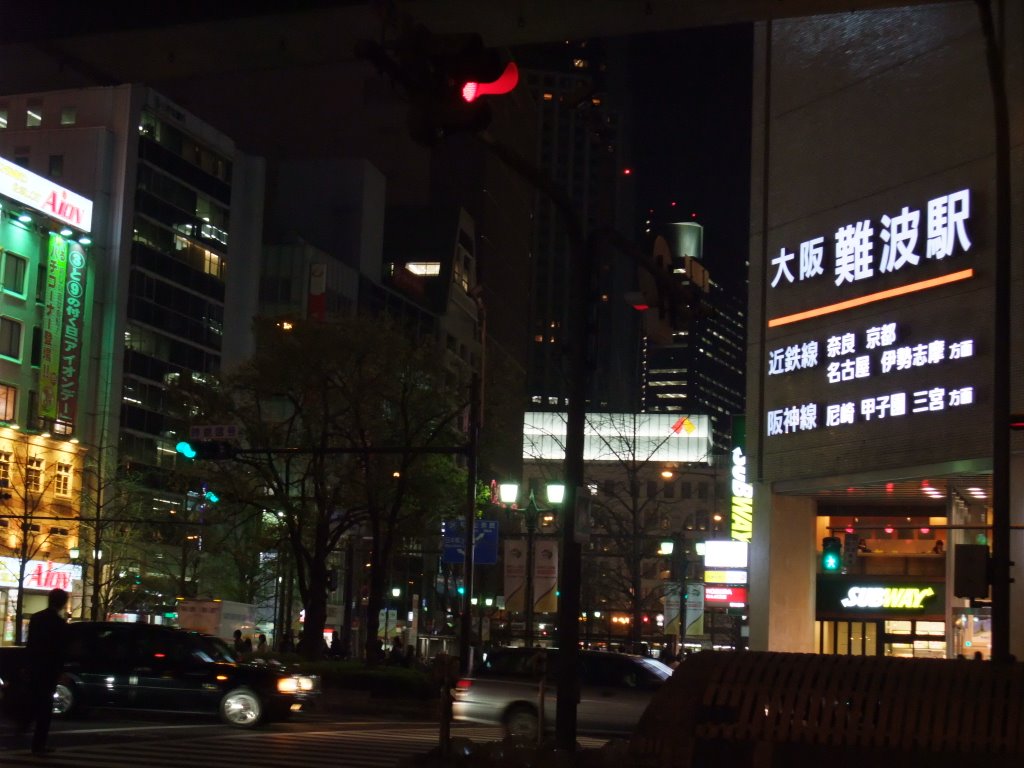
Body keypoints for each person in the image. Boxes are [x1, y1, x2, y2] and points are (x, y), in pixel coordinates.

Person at [17, 588, 69, 756]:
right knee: (45, 708)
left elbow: (30, 644)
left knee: (32, 699)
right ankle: (38, 744)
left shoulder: (37, 618)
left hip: (35, 666)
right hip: (49, 670)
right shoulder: (59, 624)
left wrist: (27, 665)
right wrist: (60, 670)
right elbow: (60, 650)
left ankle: (23, 724)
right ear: (62, 603)